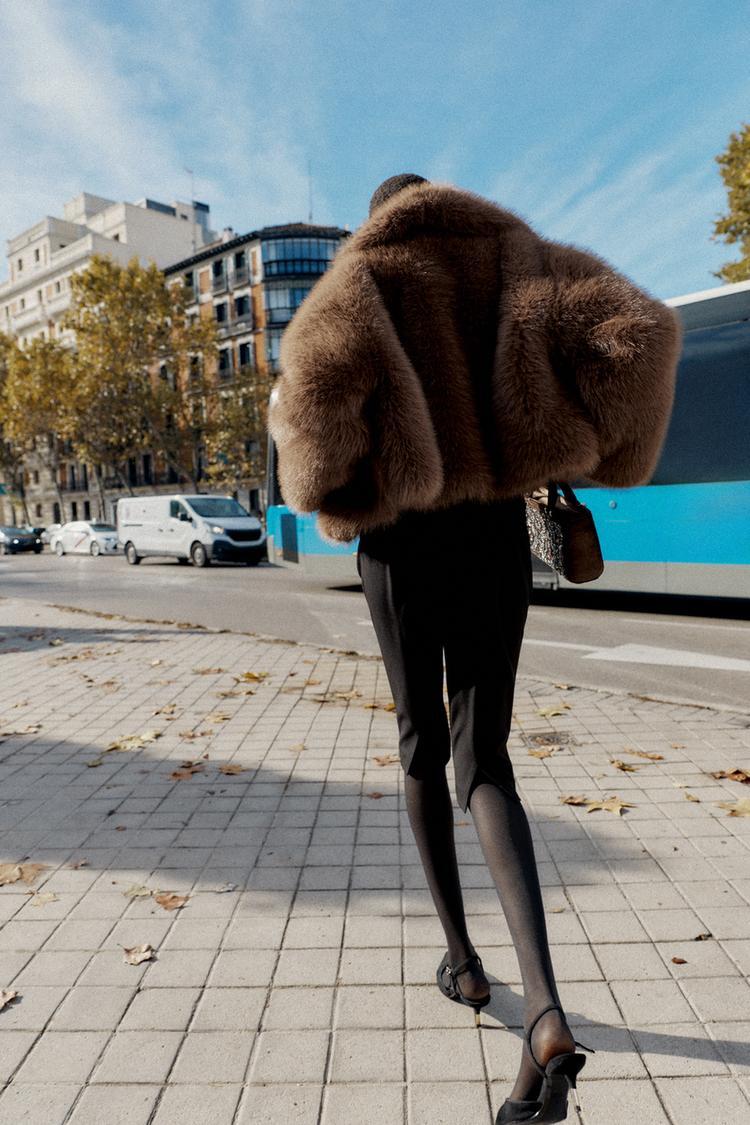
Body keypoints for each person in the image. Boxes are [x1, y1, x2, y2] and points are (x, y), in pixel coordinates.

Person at [268, 174, 682, 1124]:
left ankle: (464, 962)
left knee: (420, 740)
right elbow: (643, 334)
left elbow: (315, 424)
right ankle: (545, 1010)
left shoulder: (363, 275)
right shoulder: (517, 258)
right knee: (484, 756)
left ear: (379, 215)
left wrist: (331, 478)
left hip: (401, 539)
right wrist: (579, 445)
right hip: (495, 532)